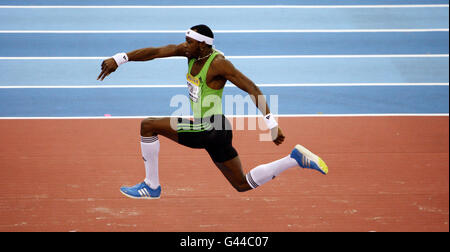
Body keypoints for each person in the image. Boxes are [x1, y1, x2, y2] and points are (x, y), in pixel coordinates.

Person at [97, 24, 328, 199]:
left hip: (212, 127)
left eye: (189, 42)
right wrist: (121, 59)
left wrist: (271, 124)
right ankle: (294, 159)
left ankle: (152, 185)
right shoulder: (190, 53)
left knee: (148, 126)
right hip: (213, 131)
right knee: (241, 184)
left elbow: (252, 88)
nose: (184, 45)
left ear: (203, 44)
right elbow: (156, 52)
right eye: (185, 41)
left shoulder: (218, 64)